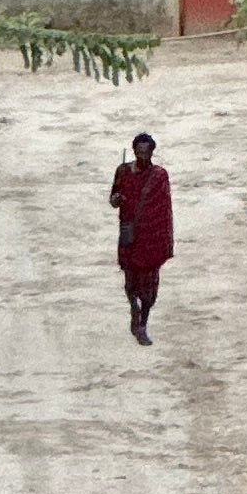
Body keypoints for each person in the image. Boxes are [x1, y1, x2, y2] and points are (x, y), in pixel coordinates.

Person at [109, 129, 173, 343]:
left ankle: (142, 323)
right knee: (130, 282)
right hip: (129, 234)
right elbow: (113, 198)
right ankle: (133, 309)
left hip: (151, 238)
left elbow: (165, 209)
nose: (142, 155)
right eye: (139, 152)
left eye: (146, 152)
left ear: (152, 153)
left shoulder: (159, 176)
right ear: (134, 151)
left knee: (150, 288)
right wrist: (117, 199)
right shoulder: (123, 171)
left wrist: (164, 240)